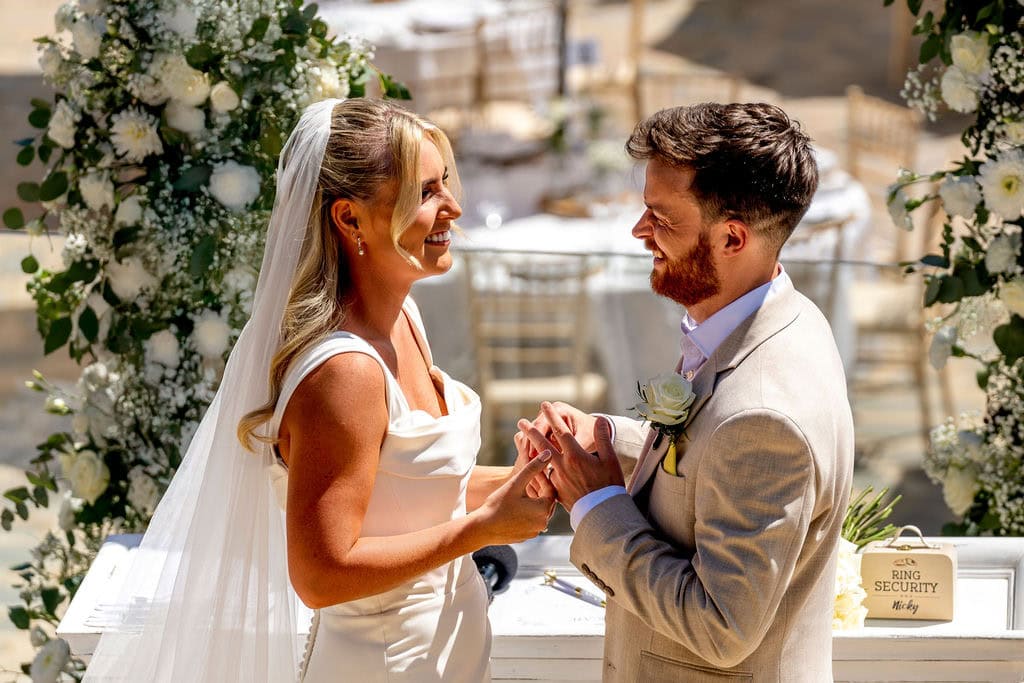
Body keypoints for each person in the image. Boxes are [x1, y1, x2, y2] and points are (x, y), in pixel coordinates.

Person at [84, 98, 555, 683]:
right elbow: (321, 574)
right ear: (350, 219)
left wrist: (536, 476)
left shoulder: (404, 320)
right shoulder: (345, 373)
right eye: (426, 193)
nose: (453, 208)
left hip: (448, 658)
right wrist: (483, 530)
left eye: (445, 185)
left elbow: (406, 497)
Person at [519, 102, 855, 682]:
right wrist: (606, 441)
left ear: (731, 237)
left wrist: (596, 505)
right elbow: (713, 459)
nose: (639, 231)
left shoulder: (765, 417)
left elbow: (719, 626)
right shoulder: (783, 317)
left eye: (661, 217)